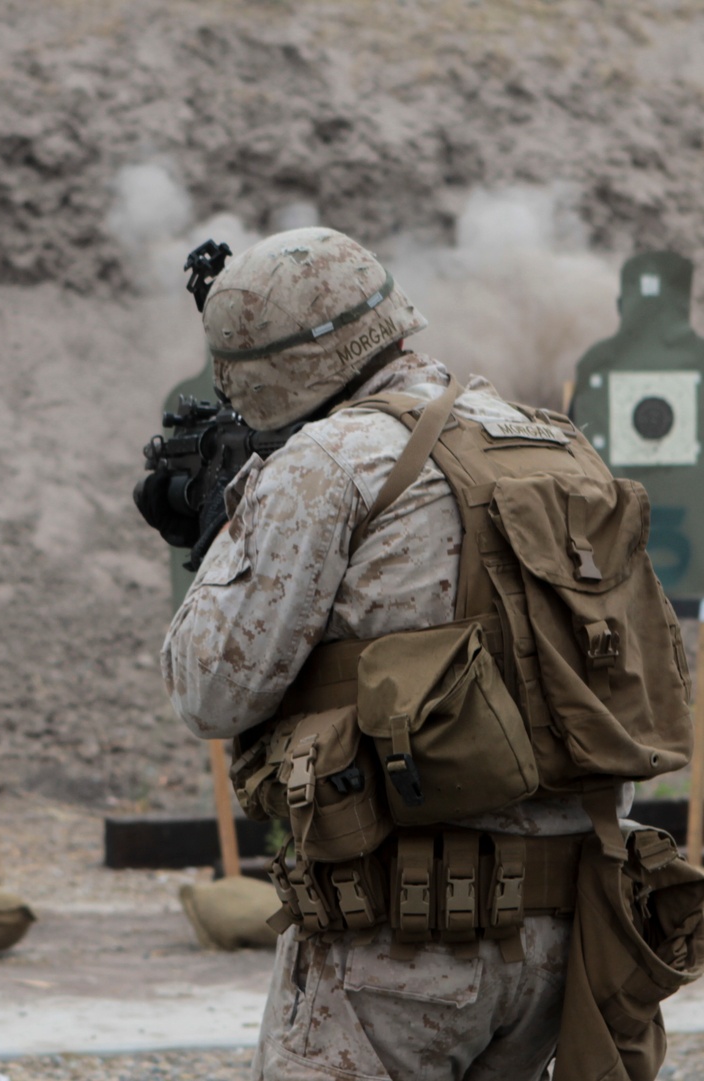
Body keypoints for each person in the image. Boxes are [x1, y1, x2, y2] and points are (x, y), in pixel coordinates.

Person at [158, 227, 696, 1081]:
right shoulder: (553, 443)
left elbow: (211, 689)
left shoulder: (327, 462)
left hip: (400, 945)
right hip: (565, 937)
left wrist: (230, 525)